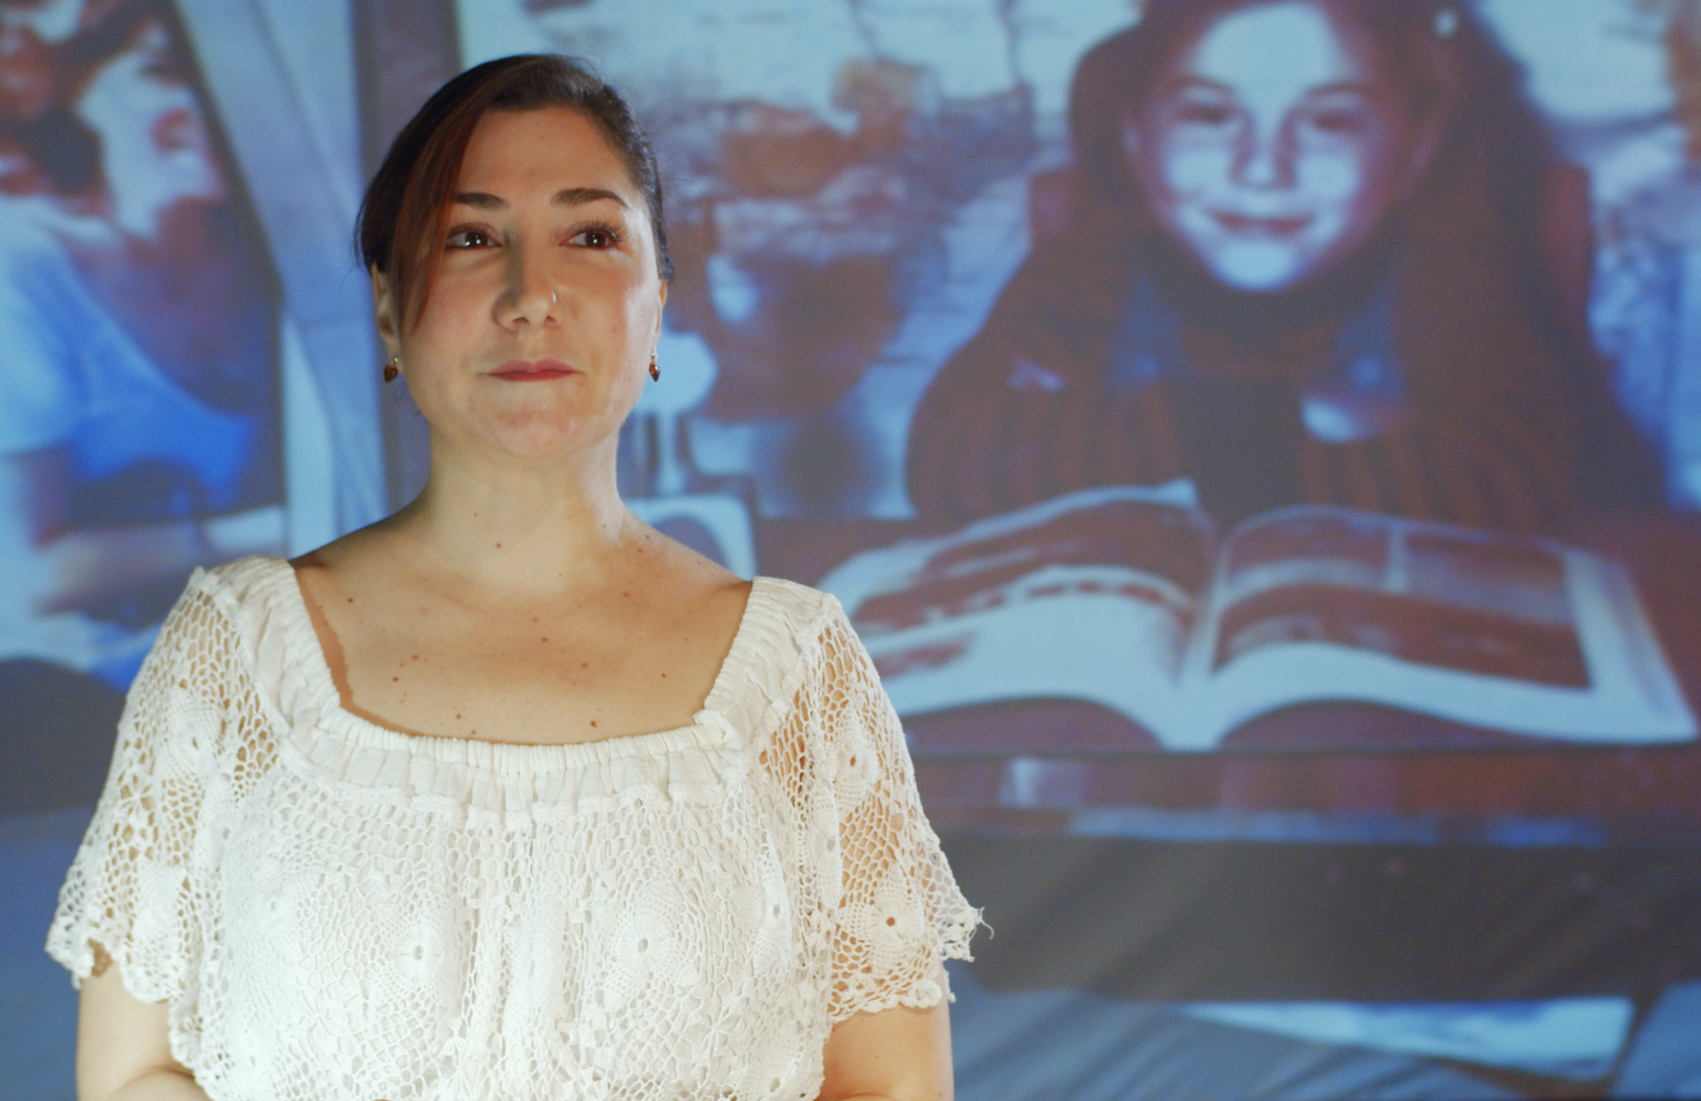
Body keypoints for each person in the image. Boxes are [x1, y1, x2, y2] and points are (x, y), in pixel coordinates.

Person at [47, 54, 977, 1100]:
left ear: (658, 309)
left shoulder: (799, 675)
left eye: (591, 236)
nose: (532, 294)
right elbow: (137, 1075)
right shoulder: (236, 652)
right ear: (392, 314)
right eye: (470, 237)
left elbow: (891, 1087)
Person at [905, 0, 1661, 534]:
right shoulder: (1092, 267)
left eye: (1329, 121)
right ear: (1134, 134)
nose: (1263, 170)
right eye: (1209, 114)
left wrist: (1115, 440)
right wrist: (1305, 421)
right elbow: (948, 459)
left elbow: (1517, 476)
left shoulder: (1445, 278)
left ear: (1415, 148)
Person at [0, 0, 283, 811]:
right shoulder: (30, 273)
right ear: (83, 94)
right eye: (166, 73)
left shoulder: (291, 270)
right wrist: (276, 535)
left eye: (228, 81)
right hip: (67, 710)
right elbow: (28, 575)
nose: (205, 106)